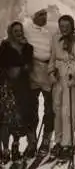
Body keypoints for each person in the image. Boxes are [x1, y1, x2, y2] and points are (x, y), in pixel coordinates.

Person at [47, 15, 75, 161]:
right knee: (57, 108)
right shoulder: (55, 38)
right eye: (61, 26)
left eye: (66, 26)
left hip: (72, 77)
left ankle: (68, 143)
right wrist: (51, 72)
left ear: (72, 26)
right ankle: (58, 140)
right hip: (59, 76)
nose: (64, 29)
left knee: (69, 110)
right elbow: (52, 57)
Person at [23, 0, 56, 156]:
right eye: (40, 14)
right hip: (32, 71)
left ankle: (46, 140)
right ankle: (31, 142)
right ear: (33, 16)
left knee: (50, 109)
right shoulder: (25, 28)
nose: (44, 17)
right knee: (30, 108)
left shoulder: (52, 29)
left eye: (45, 14)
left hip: (48, 70)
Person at [0, 22, 34, 162]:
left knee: (19, 119)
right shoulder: (4, 46)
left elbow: (29, 66)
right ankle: (6, 149)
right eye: (15, 31)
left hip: (22, 87)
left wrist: (21, 68)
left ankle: (15, 146)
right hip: (7, 87)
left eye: (20, 30)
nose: (19, 33)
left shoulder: (27, 48)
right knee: (6, 120)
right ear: (10, 32)